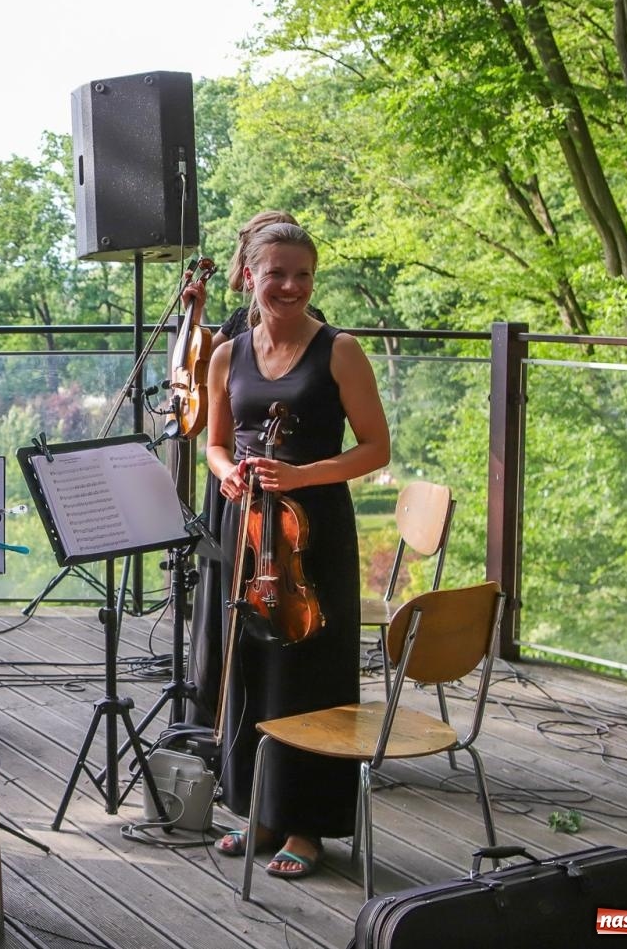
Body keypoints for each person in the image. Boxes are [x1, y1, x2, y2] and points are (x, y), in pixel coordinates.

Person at [187, 220, 389, 880]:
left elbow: (375, 448)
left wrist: (301, 476)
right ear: (250, 275)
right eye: (277, 273)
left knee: (311, 672)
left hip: (314, 526)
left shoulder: (340, 350)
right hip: (245, 525)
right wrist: (227, 473)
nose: (291, 286)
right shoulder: (225, 353)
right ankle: (259, 811)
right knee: (248, 664)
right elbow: (215, 444)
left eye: (303, 274)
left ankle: (308, 825)